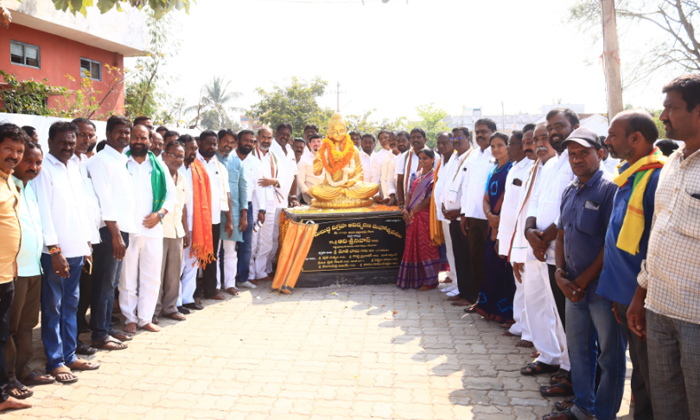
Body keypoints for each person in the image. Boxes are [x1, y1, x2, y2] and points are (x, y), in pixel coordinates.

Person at [628, 74, 700, 420]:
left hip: (696, 317)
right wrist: (641, 295)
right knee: (668, 406)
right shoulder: (672, 162)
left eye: (671, 108)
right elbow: (659, 232)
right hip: (659, 309)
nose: (663, 115)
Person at [543, 128, 624, 420]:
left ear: (600, 153)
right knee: (578, 350)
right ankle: (582, 406)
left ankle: (604, 413)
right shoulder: (570, 189)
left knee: (610, 355)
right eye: (572, 154)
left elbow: (610, 243)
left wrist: (582, 279)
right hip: (573, 287)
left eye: (583, 153)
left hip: (603, 288)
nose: (576, 159)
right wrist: (561, 275)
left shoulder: (611, 189)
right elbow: (562, 235)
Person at [597, 110, 663, 420]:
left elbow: (654, 247)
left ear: (635, 139)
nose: (607, 141)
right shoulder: (630, 175)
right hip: (624, 295)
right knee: (640, 373)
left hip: (643, 299)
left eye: (613, 135)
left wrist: (636, 297)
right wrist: (617, 294)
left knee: (654, 380)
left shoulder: (655, 178)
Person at [33, 121, 99, 382]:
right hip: (55, 253)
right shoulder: (43, 169)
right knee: (53, 307)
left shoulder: (75, 166)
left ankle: (69, 355)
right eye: (62, 142)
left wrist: (87, 245)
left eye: (71, 143)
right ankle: (55, 361)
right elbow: (44, 212)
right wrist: (54, 249)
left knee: (70, 305)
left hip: (76, 248)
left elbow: (82, 208)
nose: (68, 147)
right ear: (50, 142)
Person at [515, 123, 570, 387]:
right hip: (535, 245)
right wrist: (529, 232)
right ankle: (548, 355)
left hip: (556, 247)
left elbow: (569, 207)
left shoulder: (573, 162)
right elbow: (535, 202)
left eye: (545, 138)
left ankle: (569, 364)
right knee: (535, 301)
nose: (539, 144)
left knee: (560, 311)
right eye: (536, 139)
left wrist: (544, 237)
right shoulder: (547, 166)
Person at [119, 124, 176, 334]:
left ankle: (145, 318)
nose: (138, 141)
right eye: (135, 137)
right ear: (129, 139)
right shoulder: (122, 162)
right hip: (128, 229)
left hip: (153, 229)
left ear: (150, 142)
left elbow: (171, 196)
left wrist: (160, 214)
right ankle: (129, 318)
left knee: (151, 276)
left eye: (143, 138)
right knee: (127, 277)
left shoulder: (158, 165)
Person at [7, 140, 52, 400]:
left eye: (38, 162)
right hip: (12, 271)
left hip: (33, 268)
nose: (33, 167)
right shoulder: (7, 186)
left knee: (27, 326)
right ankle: (9, 378)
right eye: (28, 161)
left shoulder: (31, 188)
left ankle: (23, 371)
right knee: (10, 329)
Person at [86, 115, 136, 351]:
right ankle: (99, 334)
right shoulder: (100, 161)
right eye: (119, 132)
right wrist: (115, 235)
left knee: (112, 282)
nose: (124, 136)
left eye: (127, 132)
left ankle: (106, 327)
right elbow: (104, 199)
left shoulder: (121, 160)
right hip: (109, 231)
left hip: (121, 229)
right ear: (107, 134)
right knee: (104, 283)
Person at [0, 123, 32, 412]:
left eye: (18, 150)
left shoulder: (9, 179)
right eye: (8, 148)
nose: (14, 155)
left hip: (7, 272)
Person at [495, 130, 534, 343]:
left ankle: (530, 332)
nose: (509, 148)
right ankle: (520, 325)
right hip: (510, 234)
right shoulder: (515, 167)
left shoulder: (531, 168)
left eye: (513, 143)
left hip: (524, 238)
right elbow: (509, 207)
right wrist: (502, 236)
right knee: (519, 282)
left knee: (528, 285)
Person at [472, 132, 514, 322]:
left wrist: (498, 221)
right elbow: (486, 198)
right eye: (493, 146)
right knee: (491, 265)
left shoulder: (512, 169)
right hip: (493, 224)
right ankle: (490, 308)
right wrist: (489, 215)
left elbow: (511, 199)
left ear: (508, 146)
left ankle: (506, 314)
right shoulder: (493, 170)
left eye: (500, 145)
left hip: (506, 226)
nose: (496, 149)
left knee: (504, 269)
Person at [457, 119, 495, 307]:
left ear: (493, 132)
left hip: (489, 218)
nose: (480, 135)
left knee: (491, 262)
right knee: (476, 260)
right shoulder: (473, 156)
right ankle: (481, 302)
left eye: (484, 131)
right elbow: (467, 186)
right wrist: (464, 214)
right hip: (472, 216)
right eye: (477, 131)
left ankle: (493, 304)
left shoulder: (496, 154)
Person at [72, 117, 101, 356]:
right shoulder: (63, 163)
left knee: (84, 291)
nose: (87, 139)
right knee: (68, 299)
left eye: (90, 135)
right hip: (69, 243)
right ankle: (68, 344)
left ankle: (75, 337)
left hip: (88, 240)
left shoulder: (84, 162)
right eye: (82, 134)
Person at [196, 131, 233, 301]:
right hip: (196, 218)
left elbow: (226, 193)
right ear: (200, 143)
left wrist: (230, 219)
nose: (211, 147)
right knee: (194, 255)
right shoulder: (193, 162)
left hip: (214, 218)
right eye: (208, 143)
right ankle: (194, 292)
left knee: (212, 255)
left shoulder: (219, 166)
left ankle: (211, 290)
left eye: (213, 144)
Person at [155, 141, 189, 323]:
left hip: (177, 231)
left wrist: (186, 232)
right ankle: (152, 311)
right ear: (165, 154)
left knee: (174, 274)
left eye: (181, 156)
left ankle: (170, 308)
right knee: (156, 274)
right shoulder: (157, 175)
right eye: (173, 155)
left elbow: (184, 207)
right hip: (159, 231)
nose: (177, 159)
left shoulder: (182, 178)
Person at [439, 127, 475, 302]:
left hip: (465, 217)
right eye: (453, 137)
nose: (455, 140)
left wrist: (461, 212)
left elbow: (472, 190)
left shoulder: (473, 157)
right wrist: (444, 207)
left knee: (469, 259)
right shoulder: (454, 158)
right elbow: (446, 185)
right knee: (459, 256)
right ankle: (463, 290)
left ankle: (471, 294)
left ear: (468, 138)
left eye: (459, 137)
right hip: (452, 217)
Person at [179, 135, 213, 311]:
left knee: (192, 263)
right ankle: (175, 303)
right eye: (190, 148)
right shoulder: (175, 168)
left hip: (197, 224)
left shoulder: (198, 168)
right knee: (178, 265)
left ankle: (187, 298)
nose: (193, 152)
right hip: (178, 224)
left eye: (194, 148)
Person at [397, 149, 440, 291]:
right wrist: (405, 210)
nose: (422, 161)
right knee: (411, 247)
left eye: (425, 158)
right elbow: (408, 193)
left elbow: (428, 199)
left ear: (433, 159)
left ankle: (430, 281)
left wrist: (412, 211)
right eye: (420, 158)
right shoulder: (415, 175)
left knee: (425, 247)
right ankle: (413, 279)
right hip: (411, 216)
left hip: (425, 217)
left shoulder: (435, 177)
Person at [249, 127, 283, 282]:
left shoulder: (274, 157)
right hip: (254, 201)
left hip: (270, 201)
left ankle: (261, 271)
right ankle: (249, 274)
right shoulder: (250, 155)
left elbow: (281, 178)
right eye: (263, 137)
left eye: (269, 138)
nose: (266, 141)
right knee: (252, 239)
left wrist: (274, 181)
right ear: (257, 137)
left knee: (267, 239)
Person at [217, 131, 248, 296]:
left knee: (230, 250)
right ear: (218, 141)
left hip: (234, 212)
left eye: (231, 142)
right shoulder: (210, 160)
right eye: (225, 141)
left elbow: (243, 189)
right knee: (213, 251)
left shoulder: (237, 163)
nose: (228, 145)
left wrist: (244, 215)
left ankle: (229, 284)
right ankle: (214, 285)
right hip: (214, 211)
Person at [234, 130, 265, 290]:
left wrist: (263, 209)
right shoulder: (228, 158)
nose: (248, 143)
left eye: (251, 141)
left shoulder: (256, 162)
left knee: (246, 246)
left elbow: (259, 188)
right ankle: (226, 280)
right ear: (238, 141)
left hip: (249, 206)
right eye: (245, 140)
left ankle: (242, 278)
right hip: (230, 206)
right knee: (228, 247)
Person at [431, 131, 456, 282]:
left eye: (444, 142)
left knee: (456, 249)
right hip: (443, 212)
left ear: (453, 143)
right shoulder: (441, 160)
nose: (441, 146)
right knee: (450, 249)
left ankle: (459, 283)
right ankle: (453, 278)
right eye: (439, 143)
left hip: (453, 213)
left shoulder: (456, 160)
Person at [397, 128, 433, 206]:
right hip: (407, 204)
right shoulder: (404, 156)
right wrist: (402, 203)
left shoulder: (434, 156)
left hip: (425, 205)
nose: (415, 139)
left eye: (419, 137)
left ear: (425, 139)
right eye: (413, 137)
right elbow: (400, 180)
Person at [384, 131, 410, 206]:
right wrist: (392, 196)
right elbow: (390, 180)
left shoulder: (417, 157)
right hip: (399, 202)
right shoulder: (394, 160)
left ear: (409, 141)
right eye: (398, 141)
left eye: (403, 141)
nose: (401, 143)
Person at [297, 133, 323, 204]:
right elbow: (300, 181)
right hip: (310, 201)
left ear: (322, 144)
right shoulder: (304, 160)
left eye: (318, 141)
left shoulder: (328, 160)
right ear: (309, 144)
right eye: (313, 141)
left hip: (326, 199)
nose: (316, 143)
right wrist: (312, 196)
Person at [370, 130, 393, 198]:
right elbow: (375, 177)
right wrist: (376, 195)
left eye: (386, 137)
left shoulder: (399, 152)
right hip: (386, 195)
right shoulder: (378, 156)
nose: (383, 140)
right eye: (381, 139)